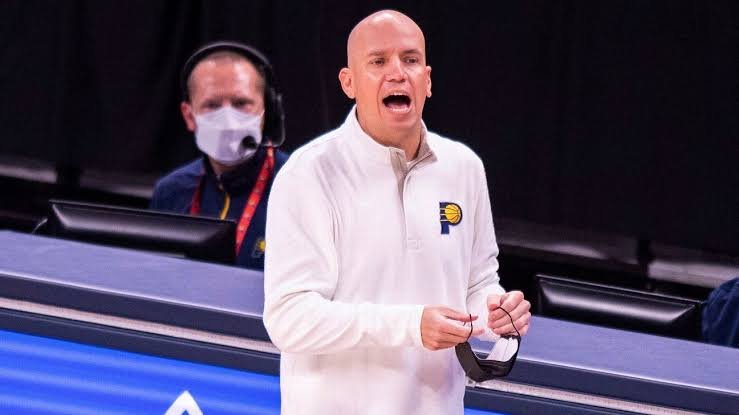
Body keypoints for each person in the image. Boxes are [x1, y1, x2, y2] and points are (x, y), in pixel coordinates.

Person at [263, 10, 531, 414]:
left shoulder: (464, 167)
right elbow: (289, 319)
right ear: (348, 83)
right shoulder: (309, 173)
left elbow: (477, 282)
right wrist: (411, 325)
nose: (397, 73)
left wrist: (496, 313)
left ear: (428, 80)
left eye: (410, 60)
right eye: (378, 61)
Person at [150, 41, 289, 270]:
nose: (228, 119)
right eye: (212, 105)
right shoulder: (171, 192)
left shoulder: (297, 184)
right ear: (189, 116)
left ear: (266, 111)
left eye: (241, 103)